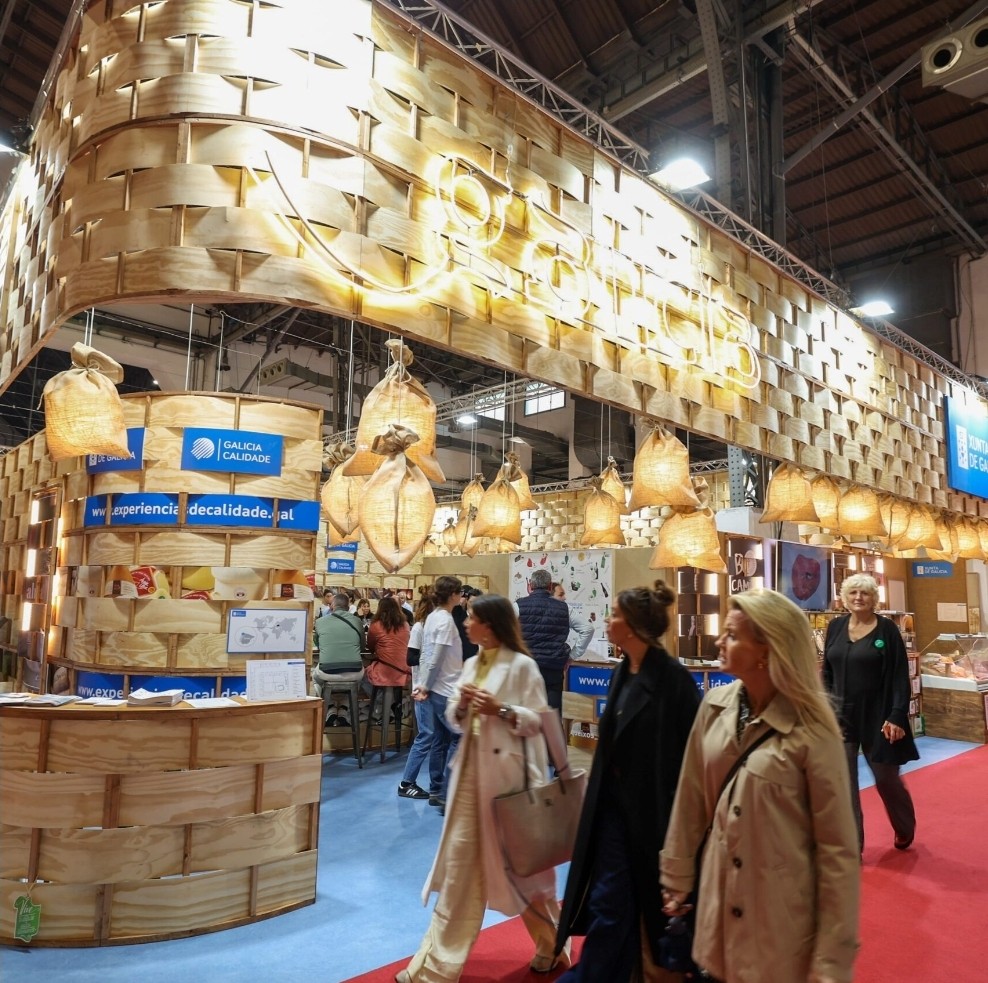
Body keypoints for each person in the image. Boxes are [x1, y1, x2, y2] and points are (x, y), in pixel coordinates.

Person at [660, 588, 860, 983]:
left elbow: (837, 851)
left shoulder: (813, 731)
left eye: (732, 635)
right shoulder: (713, 706)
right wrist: (677, 875)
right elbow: (690, 798)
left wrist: (831, 961)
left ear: (767, 650)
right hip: (717, 908)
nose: (719, 641)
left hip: (778, 924)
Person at [398, 595, 569, 982]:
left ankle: (552, 943)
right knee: (460, 872)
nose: (465, 622)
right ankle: (434, 966)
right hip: (470, 778)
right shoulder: (473, 662)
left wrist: (501, 709)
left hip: (511, 785)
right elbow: (455, 718)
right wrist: (461, 708)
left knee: (524, 874)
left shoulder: (523, 666)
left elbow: (537, 721)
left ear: (490, 625)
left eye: (472, 617)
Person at [554, 581, 701, 982]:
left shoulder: (672, 680)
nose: (608, 620)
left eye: (616, 614)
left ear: (634, 626)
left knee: (627, 906)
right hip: (614, 811)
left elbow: (691, 759)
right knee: (609, 900)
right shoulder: (623, 671)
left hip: (653, 818)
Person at [823, 573, 919, 852]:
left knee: (886, 778)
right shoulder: (835, 627)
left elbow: (899, 675)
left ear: (873, 598)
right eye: (853, 593)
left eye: (864, 593)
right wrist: (825, 709)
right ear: (845, 597)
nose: (858, 598)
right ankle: (853, 846)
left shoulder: (887, 630)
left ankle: (904, 826)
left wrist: (897, 714)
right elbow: (827, 673)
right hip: (841, 716)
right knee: (845, 784)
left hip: (880, 716)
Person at [398, 576, 463, 808]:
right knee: (456, 736)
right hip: (443, 688)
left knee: (438, 739)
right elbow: (434, 659)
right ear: (453, 595)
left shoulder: (433, 618)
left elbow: (429, 657)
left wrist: (425, 684)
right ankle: (443, 789)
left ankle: (437, 788)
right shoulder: (443, 620)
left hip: (435, 686)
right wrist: (425, 685)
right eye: (460, 593)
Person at [516, 568, 593, 712]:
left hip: (526, 666)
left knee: (525, 713)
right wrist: (572, 655)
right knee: (552, 715)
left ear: (530, 585)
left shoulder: (518, 605)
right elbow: (588, 629)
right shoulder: (565, 608)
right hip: (553, 669)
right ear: (550, 586)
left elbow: (502, 630)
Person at [311, 593, 365, 720]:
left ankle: (329, 706)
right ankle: (344, 708)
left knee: (315, 676)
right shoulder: (357, 621)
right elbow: (362, 646)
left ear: (332, 606)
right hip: (354, 672)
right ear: (348, 607)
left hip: (327, 671)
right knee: (357, 681)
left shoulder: (319, 622)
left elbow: (318, 644)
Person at [364, 596, 411, 692]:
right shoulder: (405, 624)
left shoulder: (375, 625)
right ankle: (393, 699)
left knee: (363, 676)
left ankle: (379, 699)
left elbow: (370, 646)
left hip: (384, 670)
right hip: (404, 670)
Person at [452, 586, 482, 659]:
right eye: (471, 602)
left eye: (476, 602)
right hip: (462, 657)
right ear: (467, 601)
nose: (473, 605)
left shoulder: (484, 619)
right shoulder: (458, 615)